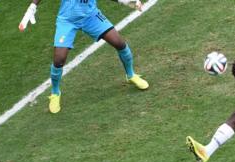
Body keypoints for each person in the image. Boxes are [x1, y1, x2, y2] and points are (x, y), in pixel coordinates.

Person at [19, 0, 149, 114]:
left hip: (91, 16)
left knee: (119, 43)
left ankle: (131, 75)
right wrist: (32, 6)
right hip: (67, 20)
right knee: (59, 60)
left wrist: (127, 1)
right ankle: (55, 93)